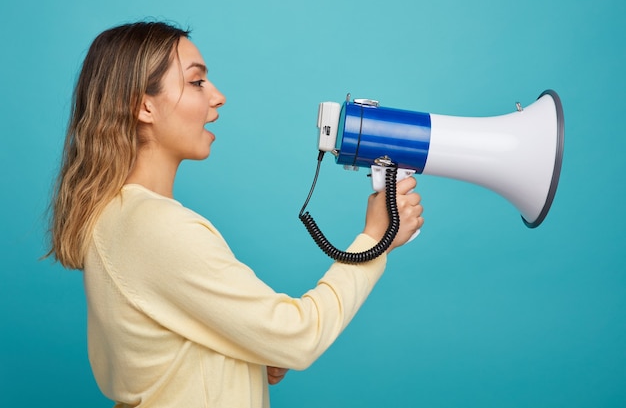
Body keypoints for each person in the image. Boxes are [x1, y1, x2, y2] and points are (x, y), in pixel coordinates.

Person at [47, 21, 424, 408]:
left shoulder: (118, 218)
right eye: (196, 82)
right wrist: (376, 239)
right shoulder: (158, 228)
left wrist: (247, 352)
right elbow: (298, 336)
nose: (218, 96)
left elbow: (167, 353)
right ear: (143, 105)